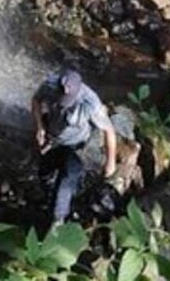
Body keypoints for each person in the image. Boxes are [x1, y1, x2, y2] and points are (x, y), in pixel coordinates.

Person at [31, 69, 117, 227]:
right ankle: (47, 192)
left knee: (68, 177)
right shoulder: (50, 85)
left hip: (76, 145)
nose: (63, 103)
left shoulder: (90, 103)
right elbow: (36, 100)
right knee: (44, 172)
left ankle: (58, 220)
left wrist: (110, 162)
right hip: (52, 137)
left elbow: (109, 131)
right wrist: (40, 126)